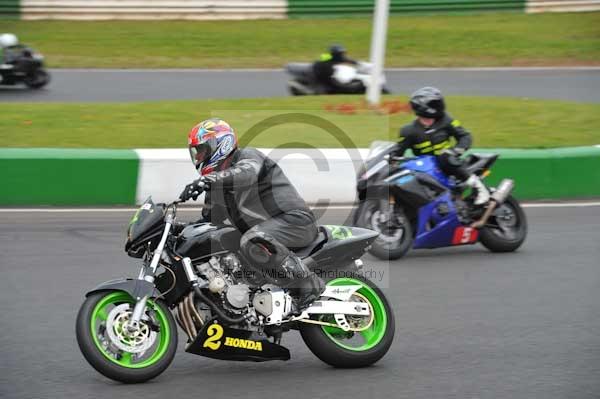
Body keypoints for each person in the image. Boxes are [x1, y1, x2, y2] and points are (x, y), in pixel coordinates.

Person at [178, 118, 325, 311]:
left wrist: (208, 180)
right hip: (266, 235)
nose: (198, 158)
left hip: (294, 221)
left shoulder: (247, 157)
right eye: (196, 153)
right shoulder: (216, 186)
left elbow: (247, 173)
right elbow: (209, 222)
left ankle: (308, 285)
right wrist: (178, 230)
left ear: (221, 145)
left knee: (251, 239)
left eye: (202, 151)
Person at [394, 87, 490, 205]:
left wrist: (456, 151)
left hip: (449, 165)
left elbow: (465, 136)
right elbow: (396, 153)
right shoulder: (408, 131)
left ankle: (479, 187)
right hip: (425, 170)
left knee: (443, 156)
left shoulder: (446, 120)